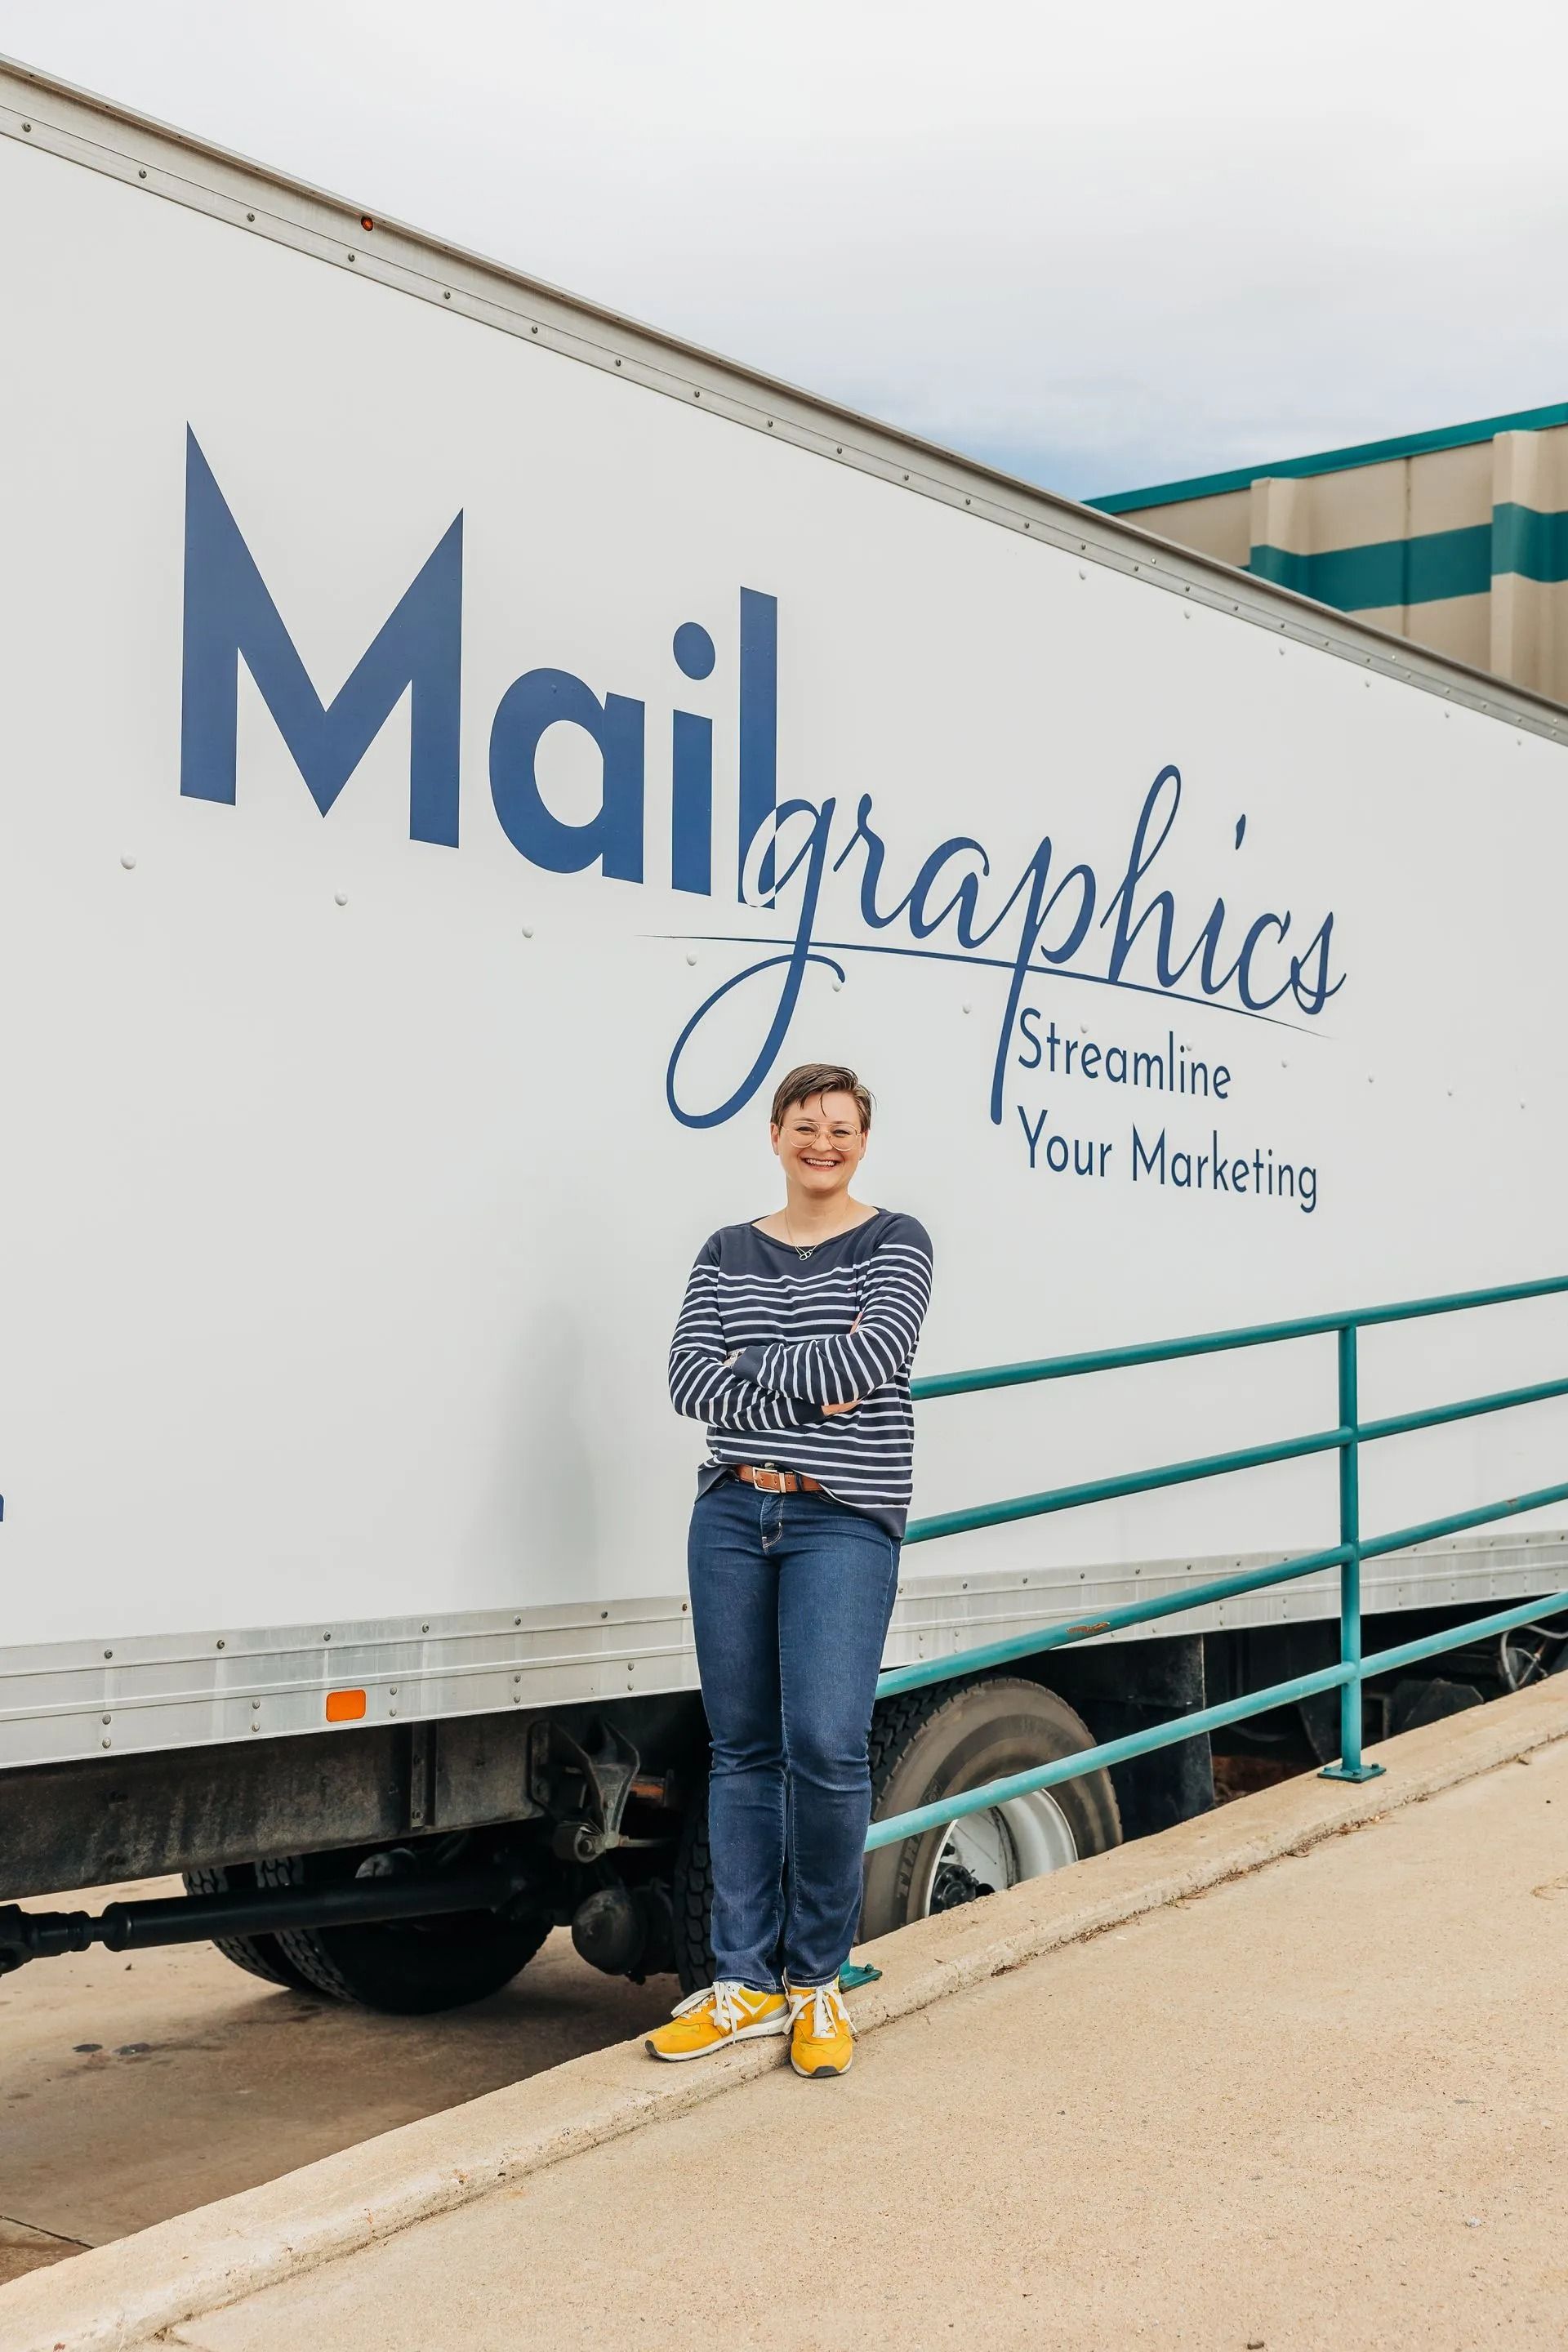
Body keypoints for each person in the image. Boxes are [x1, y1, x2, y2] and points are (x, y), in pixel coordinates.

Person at [648, 1062, 933, 2079]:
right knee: (741, 1750)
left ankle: (815, 1981)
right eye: (805, 1124)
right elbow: (688, 1374)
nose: (824, 1142)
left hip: (840, 1522)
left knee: (825, 1744)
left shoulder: (896, 1240)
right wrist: (808, 1389)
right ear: (773, 1134)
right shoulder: (726, 1250)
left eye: (842, 1127)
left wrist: (753, 1376)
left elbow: (877, 1355)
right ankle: (743, 1986)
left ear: (863, 1139)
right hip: (730, 1513)